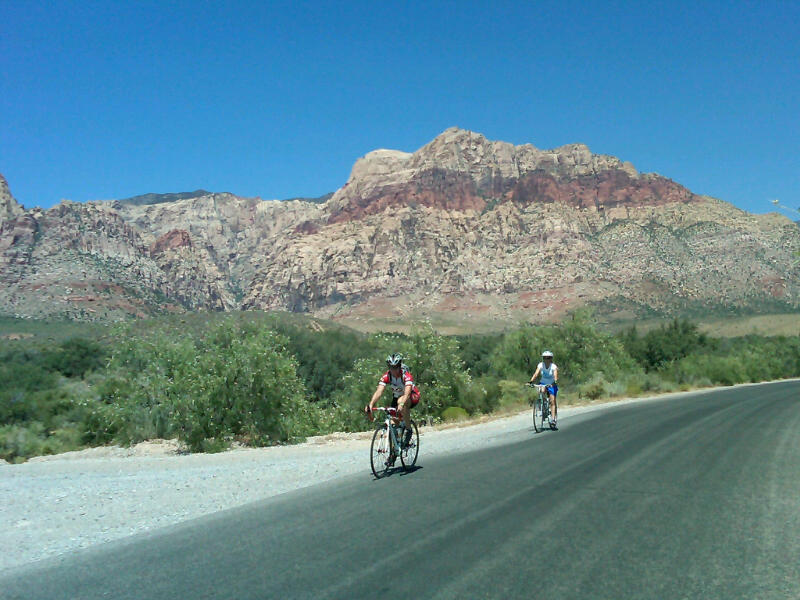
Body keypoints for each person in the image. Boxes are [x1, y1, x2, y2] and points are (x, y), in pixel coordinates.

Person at [365, 353, 421, 452]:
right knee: (392, 425)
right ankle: (393, 453)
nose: (393, 370)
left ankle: (408, 430)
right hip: (396, 397)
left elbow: (407, 392)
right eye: (391, 367)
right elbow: (379, 391)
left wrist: (402, 404)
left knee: (401, 401)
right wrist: (371, 404)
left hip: (412, 396)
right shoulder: (387, 376)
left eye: (395, 367)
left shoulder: (406, 375)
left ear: (399, 366)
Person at [529, 350, 559, 429]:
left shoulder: (553, 366)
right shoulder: (540, 365)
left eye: (548, 358)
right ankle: (542, 405)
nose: (546, 360)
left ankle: (553, 419)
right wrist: (531, 381)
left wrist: (555, 381)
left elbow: (555, 375)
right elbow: (536, 373)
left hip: (552, 384)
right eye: (545, 358)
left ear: (551, 359)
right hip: (543, 383)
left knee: (552, 401)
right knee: (541, 391)